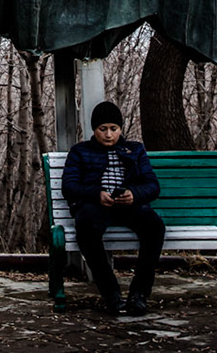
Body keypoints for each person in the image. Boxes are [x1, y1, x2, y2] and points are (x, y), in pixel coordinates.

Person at [61, 101, 165, 316]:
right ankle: (112, 295)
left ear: (120, 129)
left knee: (154, 227)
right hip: (95, 205)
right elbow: (69, 186)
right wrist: (95, 194)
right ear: (94, 129)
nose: (108, 134)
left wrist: (134, 194)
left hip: (128, 204)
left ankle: (139, 295)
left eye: (113, 129)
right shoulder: (80, 151)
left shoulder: (135, 149)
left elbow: (153, 185)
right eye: (103, 129)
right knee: (86, 227)